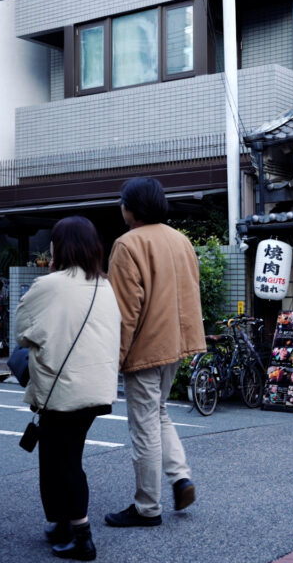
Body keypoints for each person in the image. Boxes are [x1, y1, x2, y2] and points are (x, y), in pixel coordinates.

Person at [14, 216, 121, 561]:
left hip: (62, 391)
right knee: (55, 455)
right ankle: (57, 522)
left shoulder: (49, 285)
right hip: (97, 388)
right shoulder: (105, 285)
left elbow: (22, 332)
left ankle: (82, 536)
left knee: (65, 462)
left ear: (60, 247)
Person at [106, 176, 206, 528]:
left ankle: (147, 506)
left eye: (122, 201)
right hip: (177, 344)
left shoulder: (127, 244)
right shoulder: (181, 241)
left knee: (144, 425)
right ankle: (180, 477)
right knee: (158, 413)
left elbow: (124, 312)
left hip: (146, 347)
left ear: (130, 208)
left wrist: (113, 361)